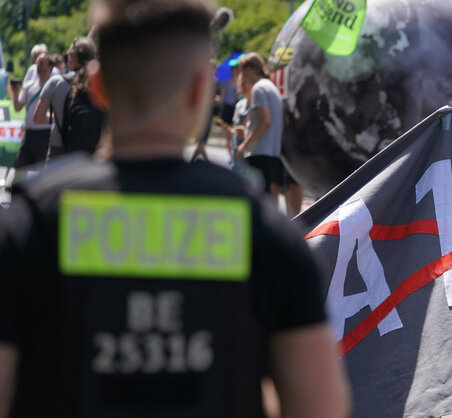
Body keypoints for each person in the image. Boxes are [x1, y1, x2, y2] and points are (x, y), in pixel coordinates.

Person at [0, 1, 351, 417]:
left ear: (98, 86)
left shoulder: (27, 227)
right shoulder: (267, 233)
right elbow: (319, 407)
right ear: (201, 89)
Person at [235, 52, 303, 216]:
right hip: (271, 152)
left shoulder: (258, 88)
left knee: (258, 200)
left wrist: (244, 145)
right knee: (267, 199)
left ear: (249, 69)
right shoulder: (269, 86)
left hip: (259, 152)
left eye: (242, 71)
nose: (241, 76)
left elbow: (265, 121)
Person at [33, 37, 98, 160]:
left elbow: (38, 118)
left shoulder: (56, 82)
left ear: (74, 57)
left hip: (59, 148)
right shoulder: (99, 83)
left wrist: (58, 118)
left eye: (69, 55)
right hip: (90, 150)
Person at [8, 53, 55, 175]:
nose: (38, 66)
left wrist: (46, 119)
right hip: (28, 134)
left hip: (45, 135)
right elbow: (18, 107)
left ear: (50, 67)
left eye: (42, 63)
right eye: (37, 63)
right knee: (20, 169)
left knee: (41, 171)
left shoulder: (54, 86)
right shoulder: (29, 86)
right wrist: (15, 92)